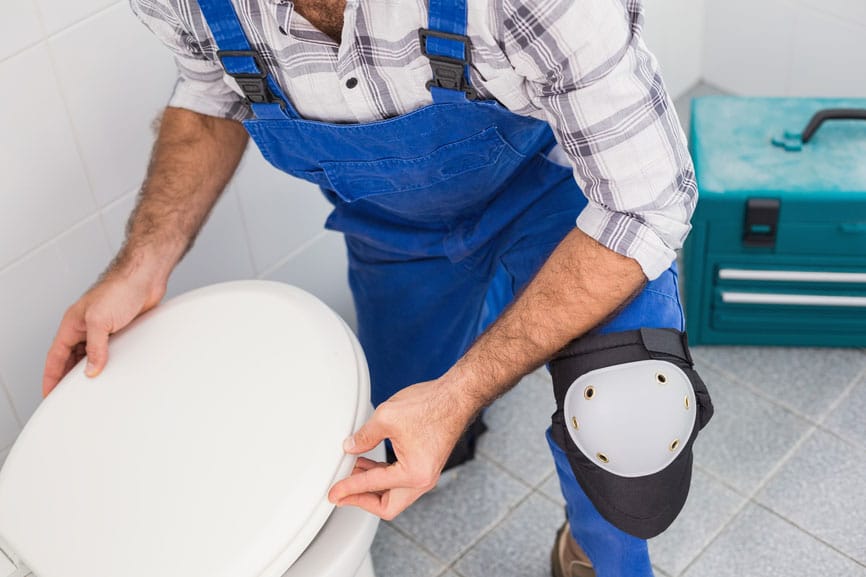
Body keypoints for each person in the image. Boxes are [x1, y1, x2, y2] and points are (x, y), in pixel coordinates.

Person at [41, 1, 706, 575]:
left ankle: (595, 554)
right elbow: (212, 92)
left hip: (563, 200)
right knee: (391, 436)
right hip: (396, 229)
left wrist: (458, 391)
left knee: (631, 414)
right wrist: (140, 263)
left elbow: (643, 205)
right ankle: (496, 324)